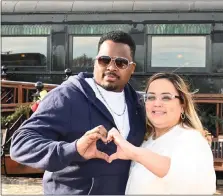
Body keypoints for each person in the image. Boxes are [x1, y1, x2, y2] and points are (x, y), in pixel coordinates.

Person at [10, 31, 146, 195]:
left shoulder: (138, 104)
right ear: (95, 62)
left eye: (121, 63)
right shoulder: (67, 96)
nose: (111, 67)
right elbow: (20, 144)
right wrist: (73, 149)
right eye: (104, 60)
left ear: (132, 68)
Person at [106, 72, 216, 195]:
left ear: (182, 105)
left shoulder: (191, 139)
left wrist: (133, 152)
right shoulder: (147, 140)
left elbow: (180, 174)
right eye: (151, 97)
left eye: (166, 97)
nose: (157, 103)